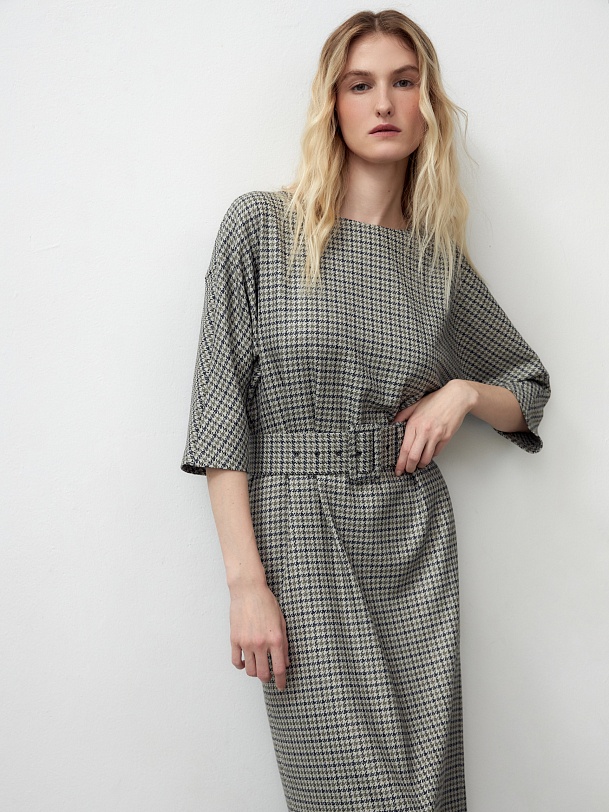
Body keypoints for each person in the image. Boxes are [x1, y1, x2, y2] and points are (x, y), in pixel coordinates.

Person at [181, 9, 550, 811]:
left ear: (427, 106)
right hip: (299, 543)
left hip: (411, 545)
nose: (383, 102)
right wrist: (246, 585)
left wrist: (462, 393)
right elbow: (219, 417)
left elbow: (527, 388)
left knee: (425, 796)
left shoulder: (436, 263)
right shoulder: (261, 228)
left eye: (403, 82)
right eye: (360, 85)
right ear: (333, 104)